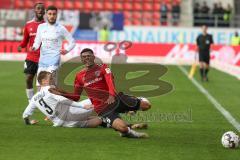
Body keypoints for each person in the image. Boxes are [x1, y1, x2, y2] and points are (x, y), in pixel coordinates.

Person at [51, 48, 151, 138]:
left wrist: (111, 94)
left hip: (116, 99)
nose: (87, 58)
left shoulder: (103, 67)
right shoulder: (79, 76)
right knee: (122, 128)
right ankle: (129, 133)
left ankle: (138, 99)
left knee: (147, 106)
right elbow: (76, 97)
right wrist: (60, 93)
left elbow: (110, 81)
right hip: (102, 109)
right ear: (81, 60)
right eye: (84, 57)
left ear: (94, 57)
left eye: (89, 56)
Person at [22, 71, 102, 128]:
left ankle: (105, 120)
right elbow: (62, 100)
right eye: (51, 78)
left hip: (62, 123)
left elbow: (25, 115)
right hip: (70, 113)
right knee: (98, 98)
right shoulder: (48, 89)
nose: (53, 80)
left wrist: (29, 122)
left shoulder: (34, 98)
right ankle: (109, 118)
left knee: (96, 120)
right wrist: (82, 106)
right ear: (44, 81)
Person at [32, 5, 76, 87]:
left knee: (50, 85)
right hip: (43, 61)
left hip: (54, 61)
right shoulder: (41, 27)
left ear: (57, 15)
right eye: (50, 14)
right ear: (46, 14)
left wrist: (66, 50)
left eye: (54, 14)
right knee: (39, 86)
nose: (52, 16)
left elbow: (72, 42)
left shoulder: (61, 28)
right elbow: (37, 41)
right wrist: (34, 47)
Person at [18, 2, 45, 102]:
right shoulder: (28, 25)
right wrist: (21, 46)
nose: (40, 10)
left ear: (44, 11)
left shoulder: (47, 25)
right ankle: (31, 100)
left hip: (43, 58)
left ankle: (40, 102)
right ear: (34, 10)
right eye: (38, 8)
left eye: (42, 9)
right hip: (31, 57)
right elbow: (25, 40)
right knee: (28, 78)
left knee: (41, 83)